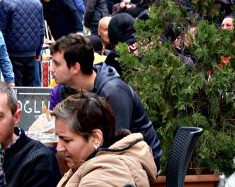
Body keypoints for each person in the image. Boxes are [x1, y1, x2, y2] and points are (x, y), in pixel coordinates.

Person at [4, 92, 156, 187]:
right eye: (58, 138)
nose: (59, 147)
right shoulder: (89, 163)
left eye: (66, 139)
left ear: (96, 138)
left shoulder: (113, 172)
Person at [49, 33, 161, 165]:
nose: (51, 69)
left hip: (138, 163)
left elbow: (118, 145)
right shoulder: (68, 89)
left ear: (75, 67)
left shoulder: (113, 92)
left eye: (57, 64)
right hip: (99, 158)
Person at [0, 0, 45, 87]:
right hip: (32, 53)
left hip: (13, 53)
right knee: (30, 88)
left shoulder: (5, 3)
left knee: (16, 89)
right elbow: (41, 30)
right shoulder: (36, 2)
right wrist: (38, 52)